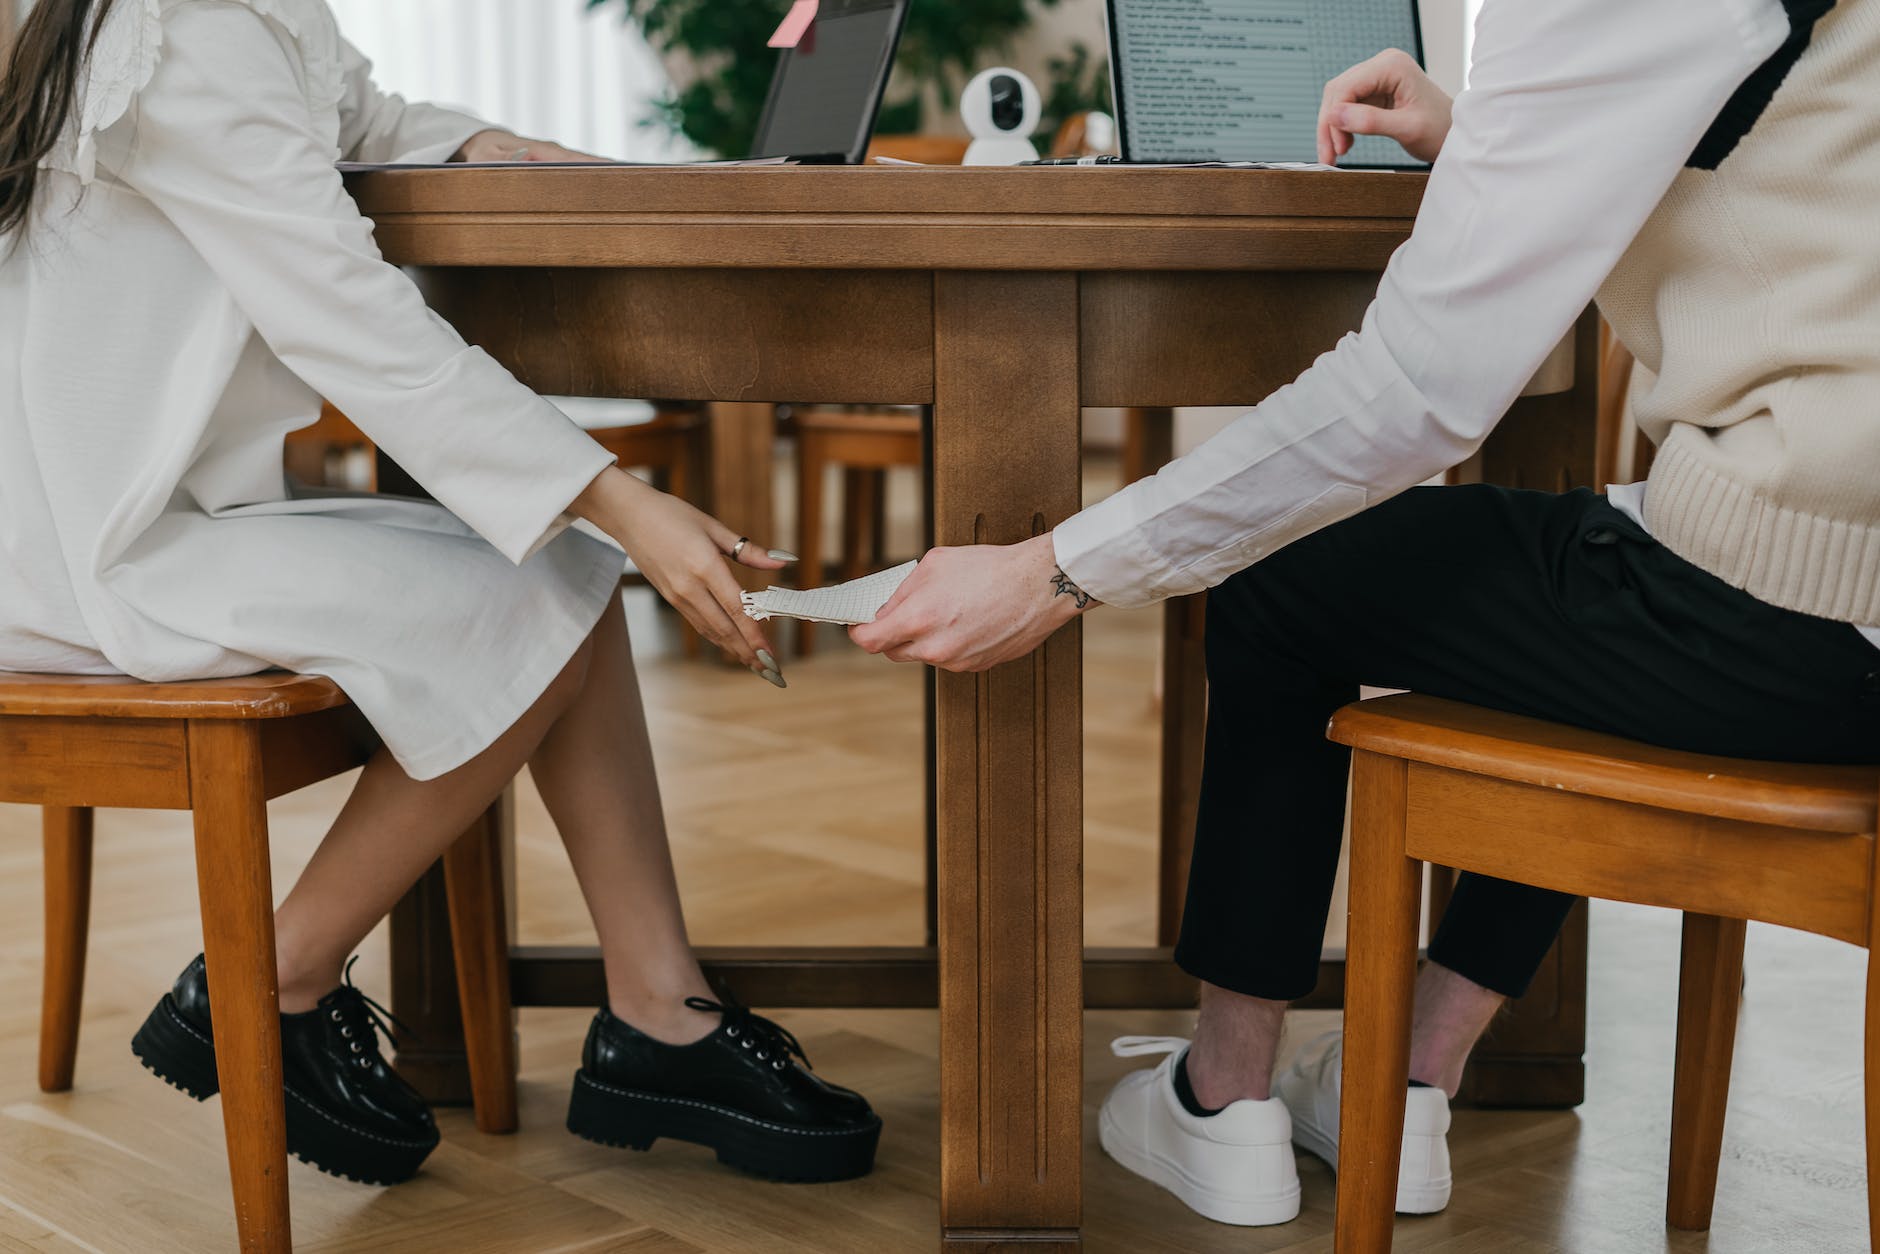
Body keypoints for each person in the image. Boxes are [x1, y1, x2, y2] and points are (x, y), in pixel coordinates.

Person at [852, 0, 1880, 1227]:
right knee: (1540, 578)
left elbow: (1414, 391)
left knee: (1280, 584)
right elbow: (1791, 153)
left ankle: (1226, 1095)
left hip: (1796, 613)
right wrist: (1494, 136)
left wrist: (1055, 570)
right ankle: (1398, 1080)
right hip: (1839, 589)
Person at [0, 0, 879, 1188]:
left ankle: (657, 1009)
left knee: (555, 568)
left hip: (139, 510)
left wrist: (496, 148)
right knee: (543, 575)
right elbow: (352, 325)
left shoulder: (231, 14)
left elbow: (365, 116)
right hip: (95, 550)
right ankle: (269, 980)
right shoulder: (187, 31)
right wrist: (620, 497)